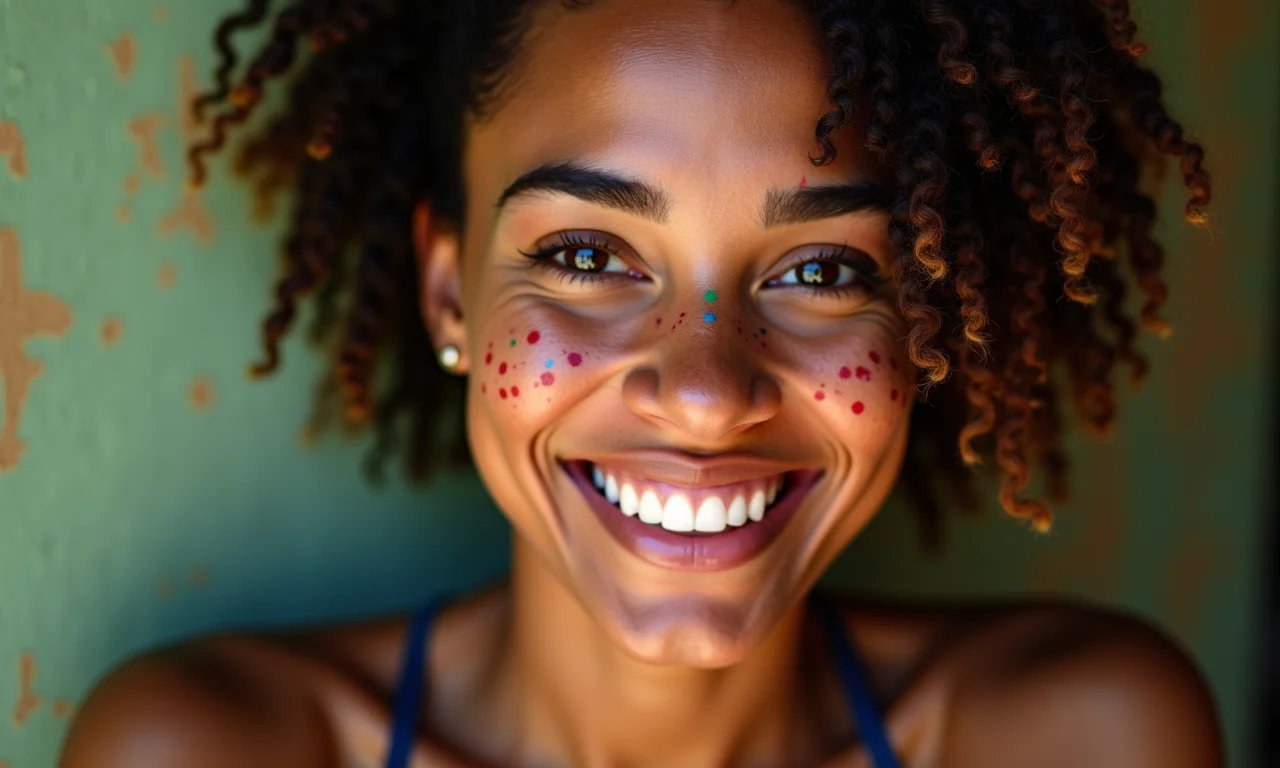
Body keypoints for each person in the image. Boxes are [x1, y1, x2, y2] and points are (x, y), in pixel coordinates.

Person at [60, 1, 1223, 766]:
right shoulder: (210, 750)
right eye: (584, 258)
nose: (709, 393)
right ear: (448, 290)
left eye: (822, 270)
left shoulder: (1076, 737)